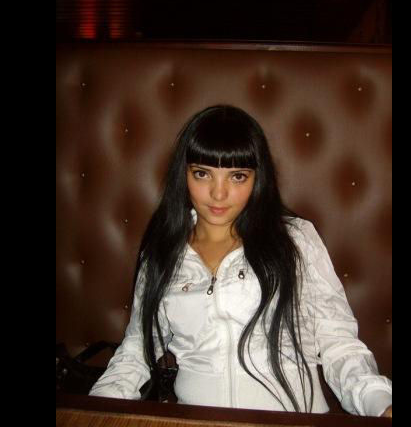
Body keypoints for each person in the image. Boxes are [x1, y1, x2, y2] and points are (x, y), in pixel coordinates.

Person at [89, 105, 392, 417]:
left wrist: (379, 402)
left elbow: (337, 340)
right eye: (202, 173)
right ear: (184, 175)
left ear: (257, 178)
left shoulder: (296, 240)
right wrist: (94, 410)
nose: (218, 194)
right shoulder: (163, 252)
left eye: (237, 176)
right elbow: (137, 351)